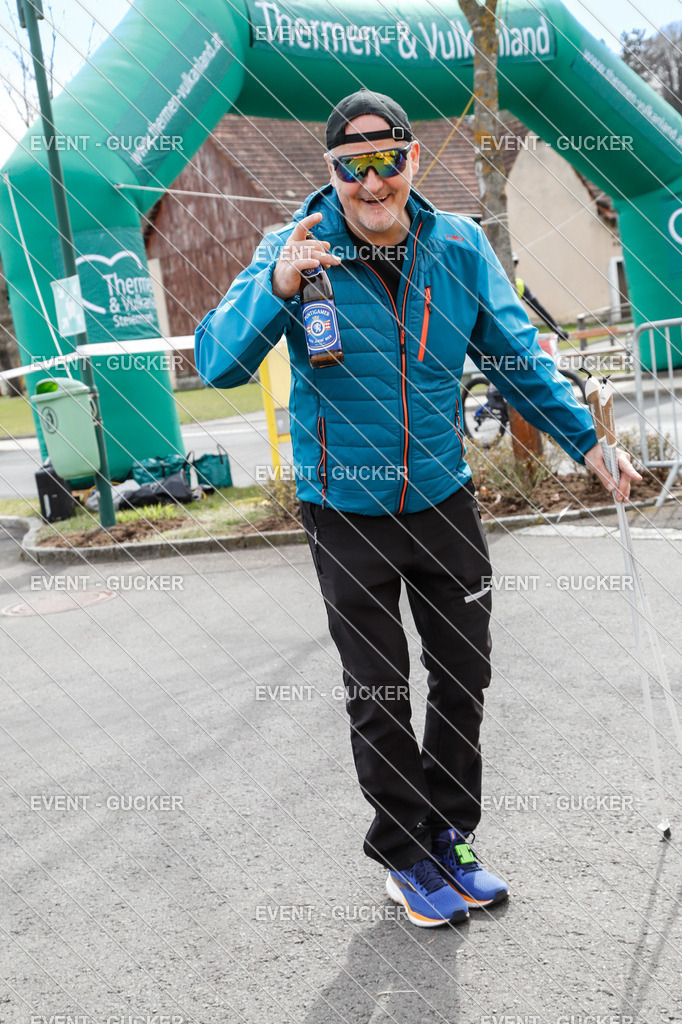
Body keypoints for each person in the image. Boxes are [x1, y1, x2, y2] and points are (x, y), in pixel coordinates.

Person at [195, 90, 641, 929]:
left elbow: (515, 358)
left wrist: (587, 443)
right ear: (331, 171)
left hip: (442, 499)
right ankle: (403, 853)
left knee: (464, 674)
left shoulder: (460, 245)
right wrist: (280, 283)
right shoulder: (292, 247)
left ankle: (449, 833)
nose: (372, 181)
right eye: (353, 164)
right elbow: (217, 359)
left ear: (411, 162)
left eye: (387, 159)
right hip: (345, 508)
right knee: (379, 686)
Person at [512, 252, 569, 340]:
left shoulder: (519, 284)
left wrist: (556, 328)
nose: (512, 268)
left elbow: (538, 308)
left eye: (514, 265)